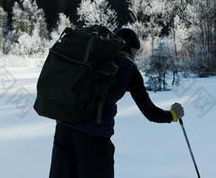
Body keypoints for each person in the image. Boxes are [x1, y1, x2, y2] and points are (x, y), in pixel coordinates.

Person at [48, 27, 185, 178]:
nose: (135, 57)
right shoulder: (127, 67)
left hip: (63, 130)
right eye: (135, 52)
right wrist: (173, 115)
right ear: (130, 49)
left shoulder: (93, 57)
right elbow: (150, 113)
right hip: (94, 140)